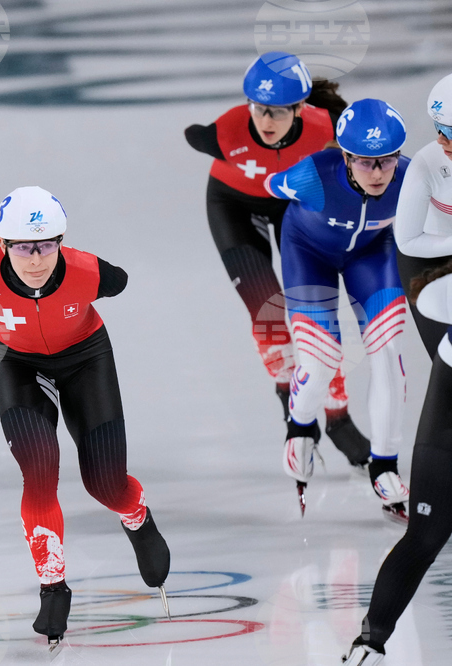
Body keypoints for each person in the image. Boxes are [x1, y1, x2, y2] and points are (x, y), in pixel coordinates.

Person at [0, 186, 170, 648]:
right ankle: (53, 585)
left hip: (86, 358)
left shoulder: (92, 273)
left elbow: (122, 279)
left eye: (47, 245)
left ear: (62, 241)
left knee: (104, 485)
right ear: (2, 247)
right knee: (39, 470)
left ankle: (136, 515)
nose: (36, 259)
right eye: (25, 248)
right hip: (19, 365)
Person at [185, 51, 371, 467]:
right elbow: (193, 134)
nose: (265, 123)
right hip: (232, 206)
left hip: (292, 207)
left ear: (301, 109)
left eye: (278, 113)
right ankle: (289, 394)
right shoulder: (227, 130)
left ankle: (338, 417)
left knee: (316, 315)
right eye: (260, 109)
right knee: (267, 309)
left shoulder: (325, 129)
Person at [342, 73, 452, 666]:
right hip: (449, 381)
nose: (449, 147)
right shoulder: (426, 172)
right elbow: (414, 252)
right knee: (427, 534)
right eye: (446, 137)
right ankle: (369, 643)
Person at [263, 99, 411, 520]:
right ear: (345, 156)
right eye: (366, 163)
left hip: (372, 255)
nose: (379, 173)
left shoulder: (410, 175)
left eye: (387, 161)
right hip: (309, 253)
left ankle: (384, 464)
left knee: (387, 352)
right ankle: (302, 422)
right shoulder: (312, 175)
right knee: (322, 359)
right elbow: (271, 186)